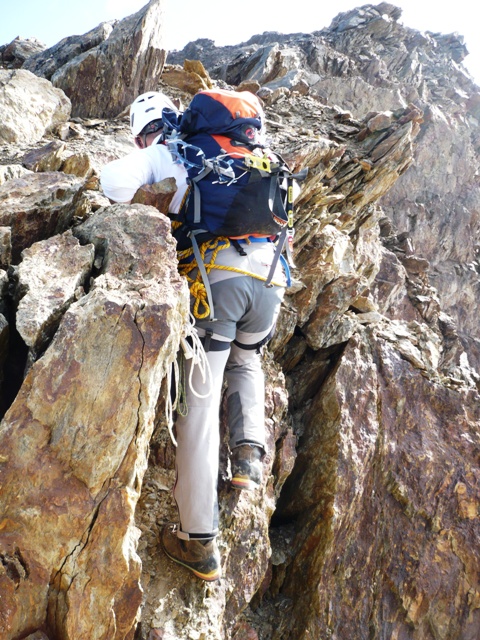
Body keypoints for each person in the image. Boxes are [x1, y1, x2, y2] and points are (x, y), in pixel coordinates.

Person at [100, 91, 288, 582]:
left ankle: (197, 538)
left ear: (146, 129)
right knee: (247, 360)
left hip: (219, 280)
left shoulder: (170, 148)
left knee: (200, 405)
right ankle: (248, 452)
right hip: (271, 278)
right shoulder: (236, 150)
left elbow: (112, 182)